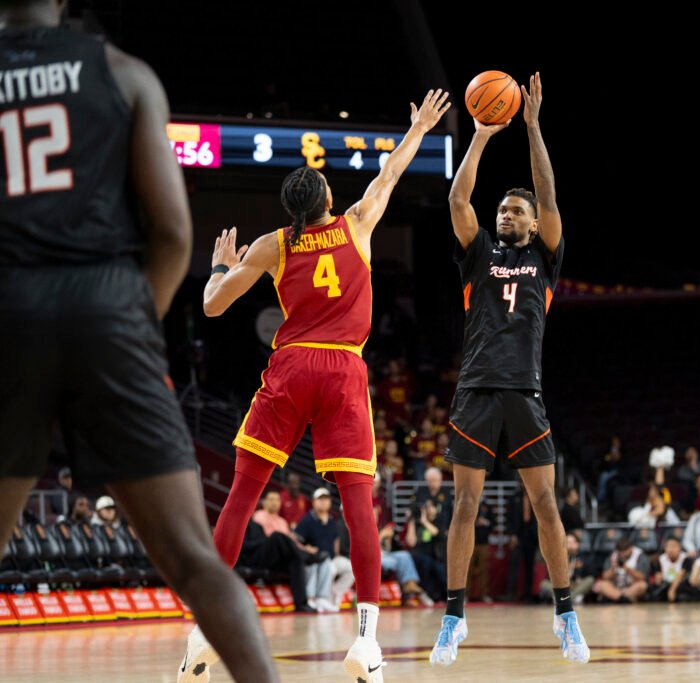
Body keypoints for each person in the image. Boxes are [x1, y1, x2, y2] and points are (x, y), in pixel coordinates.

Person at [0, 3, 278, 681]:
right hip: (110, 312)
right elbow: (175, 234)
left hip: (11, 310)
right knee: (194, 560)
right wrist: (128, 328)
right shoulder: (124, 73)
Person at [184, 89, 451, 683]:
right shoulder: (357, 223)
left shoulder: (272, 245)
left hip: (290, 365)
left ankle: (205, 628)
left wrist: (222, 266)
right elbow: (391, 171)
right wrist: (419, 128)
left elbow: (212, 305)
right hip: (342, 369)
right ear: (328, 200)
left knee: (241, 496)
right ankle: (366, 642)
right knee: (359, 507)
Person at [431, 74, 589, 666]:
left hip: (525, 391)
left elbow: (549, 196)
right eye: (502, 208)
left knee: (546, 505)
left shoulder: (544, 257)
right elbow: (457, 202)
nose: (505, 213)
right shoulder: (478, 254)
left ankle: (566, 615)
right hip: (475, 390)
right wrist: (479, 135)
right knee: (464, 506)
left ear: (532, 223)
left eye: (515, 210)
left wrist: (532, 126)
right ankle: (453, 620)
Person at [294, 487, 340, 613]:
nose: (323, 502)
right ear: (313, 502)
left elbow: (336, 540)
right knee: (317, 564)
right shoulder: (307, 520)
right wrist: (305, 548)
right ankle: (311, 598)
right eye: (320, 499)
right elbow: (295, 539)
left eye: (326, 499)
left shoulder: (332, 520)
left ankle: (327, 598)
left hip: (330, 557)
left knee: (346, 567)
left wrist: (337, 555)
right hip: (311, 557)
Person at [591, 536, 650, 604]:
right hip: (615, 587)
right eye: (620, 552)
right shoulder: (613, 556)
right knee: (601, 585)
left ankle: (620, 598)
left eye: (624, 551)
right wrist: (613, 569)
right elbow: (605, 577)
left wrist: (627, 569)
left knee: (642, 585)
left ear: (631, 548)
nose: (622, 554)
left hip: (631, 587)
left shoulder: (640, 556)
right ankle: (622, 598)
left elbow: (642, 577)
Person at [538, 532, 594, 605]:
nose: (570, 545)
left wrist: (579, 572)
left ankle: (568, 598)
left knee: (590, 580)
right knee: (544, 583)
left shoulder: (583, 557)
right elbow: (550, 576)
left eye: (572, 542)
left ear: (578, 544)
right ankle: (568, 597)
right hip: (562, 585)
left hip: (576, 585)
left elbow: (590, 573)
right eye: (567, 542)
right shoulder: (558, 557)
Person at [651, 537, 686, 602]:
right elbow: (658, 577)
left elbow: (681, 575)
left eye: (674, 546)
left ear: (680, 547)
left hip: (680, 585)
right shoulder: (660, 559)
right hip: (666, 584)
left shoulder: (685, 558)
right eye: (669, 546)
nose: (671, 549)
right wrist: (658, 578)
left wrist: (672, 590)